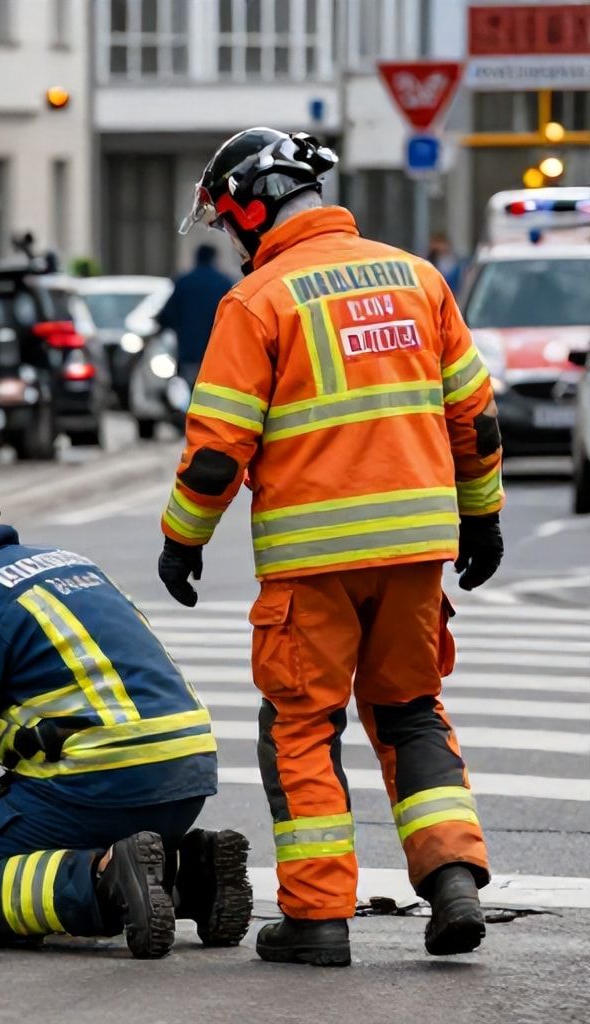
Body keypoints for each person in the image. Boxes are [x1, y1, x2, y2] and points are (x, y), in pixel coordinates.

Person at [161, 128, 503, 967]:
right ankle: (453, 876)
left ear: (249, 207)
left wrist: (181, 541)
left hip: (313, 563)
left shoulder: (258, 302)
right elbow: (477, 416)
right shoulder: (417, 278)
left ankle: (318, 919)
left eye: (228, 220)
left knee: (301, 727)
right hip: (419, 549)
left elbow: (216, 453)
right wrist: (484, 517)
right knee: (411, 713)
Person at [0, 457, 251, 958]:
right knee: (1, 832)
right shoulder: (67, 563)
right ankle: (193, 873)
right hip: (184, 774)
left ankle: (109, 883)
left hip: (103, 781)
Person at [155, 242, 235, 389]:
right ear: (214, 258)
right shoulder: (224, 283)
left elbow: (167, 315)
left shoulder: (184, 282)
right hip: (216, 353)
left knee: (188, 392)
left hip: (188, 352)